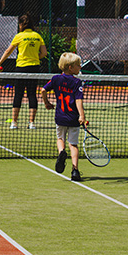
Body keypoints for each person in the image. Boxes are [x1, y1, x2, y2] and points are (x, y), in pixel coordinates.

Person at [0, 14, 47, 129]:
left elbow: (8, 51)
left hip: (21, 68)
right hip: (34, 68)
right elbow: (44, 53)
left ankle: (14, 122)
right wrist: (34, 57)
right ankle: (31, 123)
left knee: (18, 95)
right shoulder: (38, 36)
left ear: (21, 25)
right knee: (32, 94)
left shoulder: (19, 36)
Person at [41, 52, 86, 182]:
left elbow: (43, 90)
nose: (80, 67)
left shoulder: (55, 79)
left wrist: (47, 103)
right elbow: (78, 101)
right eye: (78, 65)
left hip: (60, 117)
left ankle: (61, 152)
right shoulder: (77, 82)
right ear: (71, 67)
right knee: (73, 145)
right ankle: (75, 170)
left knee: (60, 139)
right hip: (73, 118)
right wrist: (82, 115)